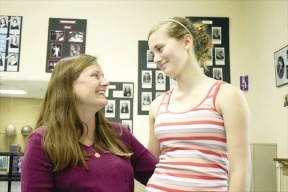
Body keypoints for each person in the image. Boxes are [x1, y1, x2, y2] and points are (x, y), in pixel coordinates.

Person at [21, 54, 157, 192]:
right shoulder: (42, 141)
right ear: (68, 86)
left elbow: (159, 175)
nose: (105, 82)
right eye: (95, 76)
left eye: (102, 76)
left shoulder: (119, 134)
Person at [146, 17, 251, 192]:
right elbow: (149, 164)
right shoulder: (157, 105)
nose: (156, 59)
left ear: (187, 41)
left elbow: (241, 170)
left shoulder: (227, 96)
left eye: (160, 48)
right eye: (152, 54)